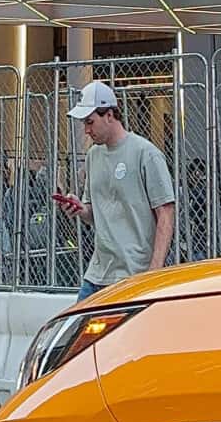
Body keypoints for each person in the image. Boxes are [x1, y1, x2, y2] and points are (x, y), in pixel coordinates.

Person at [55, 82, 175, 302]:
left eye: (90, 122)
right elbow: (94, 212)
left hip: (133, 273)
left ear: (109, 115)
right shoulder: (93, 156)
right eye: (84, 123)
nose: (87, 130)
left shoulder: (146, 153)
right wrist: (80, 209)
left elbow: (166, 212)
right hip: (97, 273)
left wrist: (154, 270)